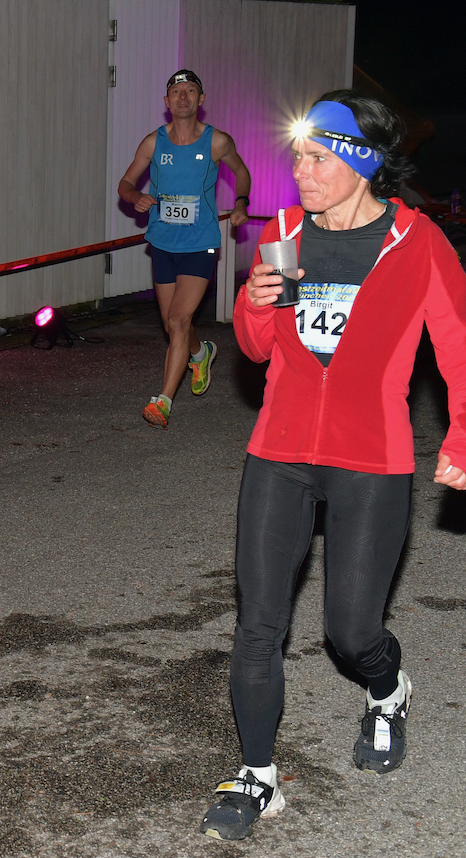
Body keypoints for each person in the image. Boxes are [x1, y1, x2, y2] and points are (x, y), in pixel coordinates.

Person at [199, 91, 466, 841]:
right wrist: (254, 303)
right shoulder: (282, 232)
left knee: (350, 633)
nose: (300, 172)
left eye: (318, 158)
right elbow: (256, 348)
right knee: (258, 626)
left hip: (369, 459)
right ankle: (257, 776)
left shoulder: (417, 246)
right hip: (278, 452)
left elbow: (459, 350)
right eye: (298, 157)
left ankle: (388, 689)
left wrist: (462, 440)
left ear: (363, 162)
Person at [118, 69, 251, 429]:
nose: (183, 97)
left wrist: (241, 203)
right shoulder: (153, 143)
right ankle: (200, 352)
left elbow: (242, 172)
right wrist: (135, 197)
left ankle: (162, 402)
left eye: (190, 91)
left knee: (178, 320)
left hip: (200, 243)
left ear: (201, 100)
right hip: (162, 241)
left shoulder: (216, 142)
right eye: (176, 91)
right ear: (166, 102)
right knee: (173, 322)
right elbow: (126, 182)